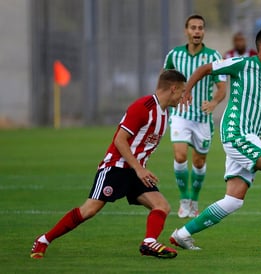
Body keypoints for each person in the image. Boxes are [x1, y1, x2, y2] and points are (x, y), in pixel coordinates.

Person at [169, 28, 261, 250]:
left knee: (233, 201)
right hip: (236, 133)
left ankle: (182, 234)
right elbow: (205, 68)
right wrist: (187, 91)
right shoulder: (242, 64)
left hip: (249, 137)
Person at [30, 70, 187, 259]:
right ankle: (44, 240)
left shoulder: (164, 114)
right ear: (173, 88)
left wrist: (138, 169)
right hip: (116, 167)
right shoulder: (142, 107)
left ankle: (148, 243)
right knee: (89, 210)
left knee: (161, 205)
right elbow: (120, 140)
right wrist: (139, 168)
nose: (183, 95)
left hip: (135, 171)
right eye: (182, 91)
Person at [163, 14, 226, 218]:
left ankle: (194, 200)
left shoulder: (214, 57)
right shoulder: (174, 55)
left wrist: (214, 102)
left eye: (200, 28)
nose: (197, 31)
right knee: (180, 155)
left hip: (202, 118)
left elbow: (222, 87)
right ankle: (183, 200)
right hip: (180, 114)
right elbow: (165, 83)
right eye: (193, 27)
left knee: (198, 163)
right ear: (186, 31)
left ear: (204, 31)